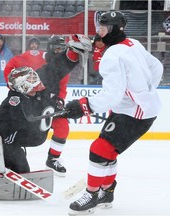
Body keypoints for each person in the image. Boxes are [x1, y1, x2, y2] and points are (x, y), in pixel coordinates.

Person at [64, 11, 163, 215]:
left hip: (136, 113)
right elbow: (157, 66)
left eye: (103, 27)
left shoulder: (112, 55)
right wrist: (145, 90)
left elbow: (112, 95)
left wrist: (82, 106)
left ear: (115, 29)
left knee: (98, 149)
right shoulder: (133, 43)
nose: (99, 32)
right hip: (133, 108)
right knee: (107, 151)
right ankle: (106, 193)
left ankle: (91, 195)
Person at [0, 34, 92, 174]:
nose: (37, 81)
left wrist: (73, 54)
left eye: (35, 77)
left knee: (61, 126)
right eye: (32, 80)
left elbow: (57, 70)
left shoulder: (42, 82)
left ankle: (51, 160)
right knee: (17, 161)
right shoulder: (16, 101)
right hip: (13, 140)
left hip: (33, 134)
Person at [3, 36, 73, 176]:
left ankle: (53, 159)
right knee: (16, 128)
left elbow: (62, 87)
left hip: (48, 103)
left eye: (62, 50)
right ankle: (10, 154)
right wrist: (13, 84)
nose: (59, 53)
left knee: (62, 125)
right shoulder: (35, 56)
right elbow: (12, 65)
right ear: (49, 48)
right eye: (57, 49)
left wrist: (60, 100)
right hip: (29, 101)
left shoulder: (63, 68)